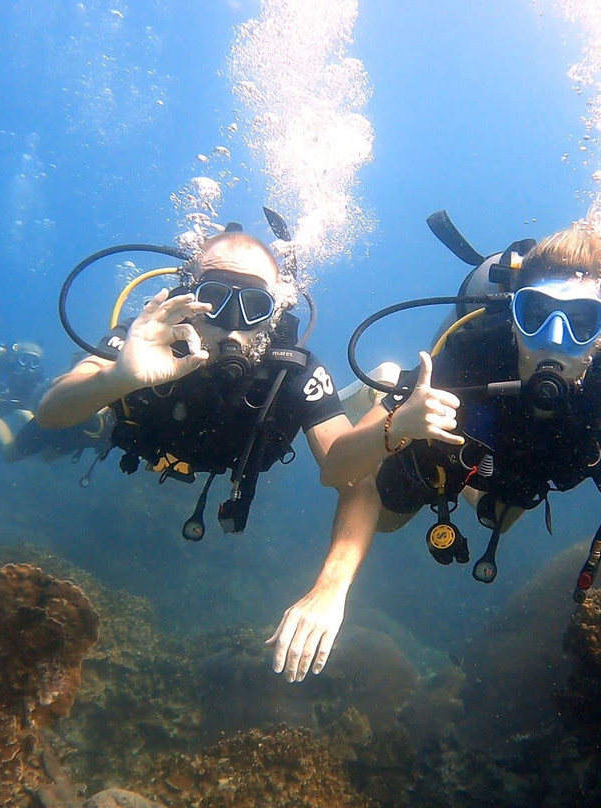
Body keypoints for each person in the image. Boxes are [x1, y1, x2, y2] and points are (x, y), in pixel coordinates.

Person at [321, 219, 601, 593]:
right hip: (445, 447)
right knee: (387, 521)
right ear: (513, 318)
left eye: (582, 321)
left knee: (500, 518)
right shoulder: (465, 361)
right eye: (536, 315)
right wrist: (399, 424)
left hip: (512, 474)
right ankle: (384, 389)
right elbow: (335, 470)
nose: (554, 339)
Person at [37, 227, 380, 683]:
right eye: (213, 298)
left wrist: (331, 588)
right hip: (143, 440)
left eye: (254, 306)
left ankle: (377, 395)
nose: (230, 324)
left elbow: (355, 479)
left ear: (274, 310)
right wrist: (117, 379)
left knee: (358, 428)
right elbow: (50, 414)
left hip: (234, 449)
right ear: (187, 294)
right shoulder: (142, 340)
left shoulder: (292, 369)